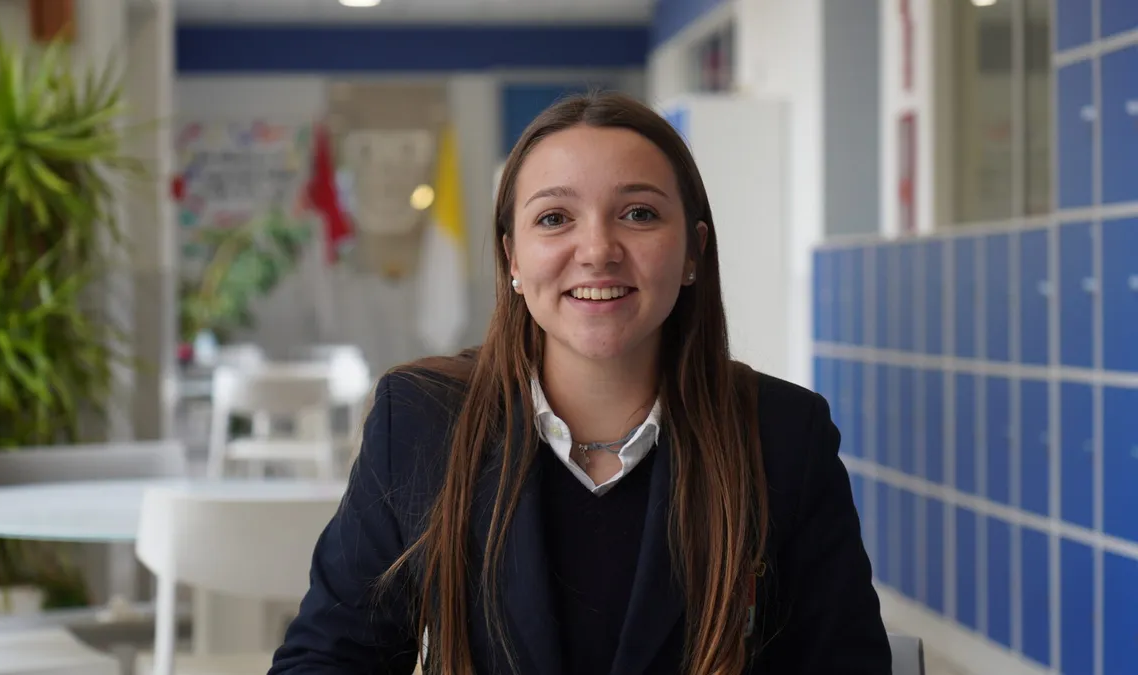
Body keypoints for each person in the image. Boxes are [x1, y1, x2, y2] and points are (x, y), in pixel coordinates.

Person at [269, 91, 891, 675]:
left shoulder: (784, 435)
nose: (597, 250)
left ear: (693, 252)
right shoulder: (420, 422)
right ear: (513, 258)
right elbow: (325, 659)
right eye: (555, 218)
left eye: (639, 213)